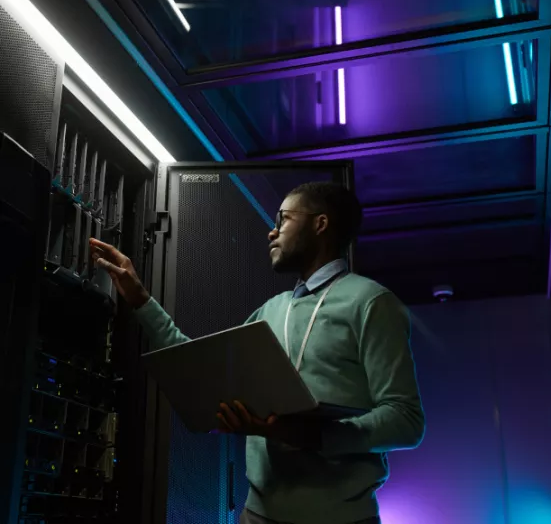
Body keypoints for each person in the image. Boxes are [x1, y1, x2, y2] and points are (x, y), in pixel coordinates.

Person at [89, 181, 425, 524]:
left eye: (283, 219)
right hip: (257, 517)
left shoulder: (371, 302)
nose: (271, 232)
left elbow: (406, 420)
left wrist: (311, 436)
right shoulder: (272, 310)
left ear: (320, 224)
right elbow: (202, 372)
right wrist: (140, 299)